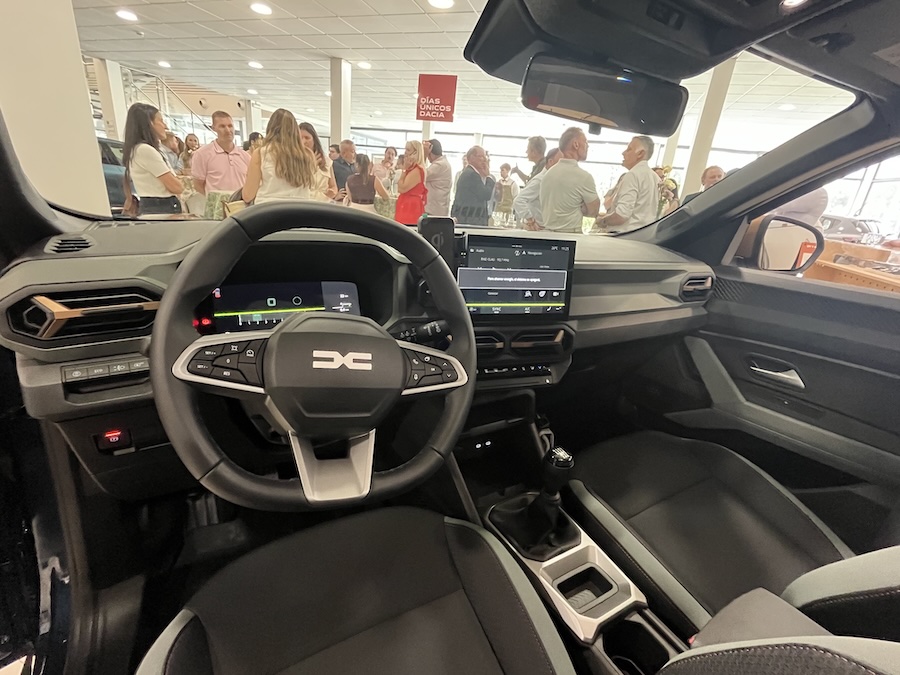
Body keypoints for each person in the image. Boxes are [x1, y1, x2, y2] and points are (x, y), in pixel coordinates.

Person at [241, 108, 317, 205]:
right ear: (295, 130)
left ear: (270, 128)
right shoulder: (307, 155)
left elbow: (248, 195)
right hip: (300, 210)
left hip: (268, 209)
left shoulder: (261, 153)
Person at [121, 103, 184, 216]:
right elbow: (176, 187)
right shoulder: (145, 150)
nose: (165, 126)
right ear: (150, 123)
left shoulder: (140, 149)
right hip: (160, 208)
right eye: (161, 121)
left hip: (155, 206)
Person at [539, 127, 600, 232]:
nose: (588, 146)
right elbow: (593, 211)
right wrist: (583, 208)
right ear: (576, 145)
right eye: (586, 142)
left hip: (548, 234)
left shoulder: (548, 175)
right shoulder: (583, 177)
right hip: (571, 236)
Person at [595, 135, 660, 232]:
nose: (623, 153)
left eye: (629, 149)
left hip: (625, 235)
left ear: (640, 154)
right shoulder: (656, 178)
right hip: (644, 234)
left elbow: (622, 215)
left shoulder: (633, 175)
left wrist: (602, 221)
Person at [191, 111, 250, 196]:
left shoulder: (245, 156)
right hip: (216, 203)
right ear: (214, 128)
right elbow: (198, 185)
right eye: (222, 126)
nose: (228, 130)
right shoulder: (202, 154)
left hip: (241, 202)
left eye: (230, 126)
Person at [514, 147, 562, 230]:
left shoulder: (552, 181)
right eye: (561, 162)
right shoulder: (540, 181)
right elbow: (519, 200)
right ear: (551, 162)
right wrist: (530, 220)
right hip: (539, 231)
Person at [451, 146, 496, 227]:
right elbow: (486, 195)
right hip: (471, 219)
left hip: (467, 218)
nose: (484, 160)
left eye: (485, 157)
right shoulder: (472, 175)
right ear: (472, 158)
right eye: (481, 156)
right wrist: (488, 177)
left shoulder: (470, 173)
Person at [299, 122, 338, 202]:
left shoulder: (326, 161)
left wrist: (331, 193)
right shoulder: (293, 161)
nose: (304, 142)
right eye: (300, 138)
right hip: (304, 203)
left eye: (307, 138)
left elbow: (333, 186)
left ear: (314, 139)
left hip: (323, 203)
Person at [394, 140, 428, 225]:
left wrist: (404, 169)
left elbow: (401, 188)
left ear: (416, 153)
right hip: (407, 203)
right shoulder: (412, 169)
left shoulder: (417, 170)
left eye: (408, 150)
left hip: (410, 206)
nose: (405, 153)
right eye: (405, 149)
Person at [423, 139, 452, 216]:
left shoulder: (440, 165)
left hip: (434, 211)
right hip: (436, 210)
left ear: (430, 152)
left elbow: (421, 175)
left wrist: (424, 155)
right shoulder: (442, 163)